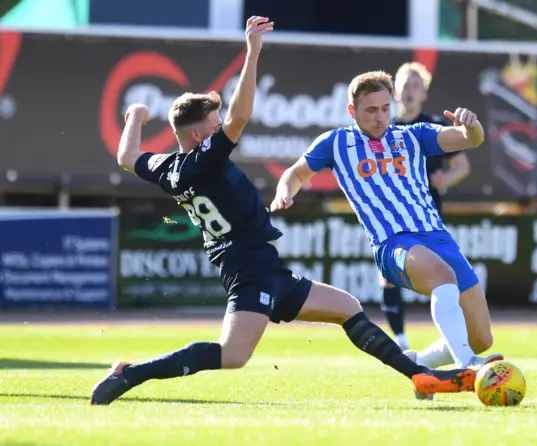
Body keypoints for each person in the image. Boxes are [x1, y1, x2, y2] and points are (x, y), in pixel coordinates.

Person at [90, 17, 477, 406]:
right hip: (250, 271)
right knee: (232, 355)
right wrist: (253, 51)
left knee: (347, 308)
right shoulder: (202, 160)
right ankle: (131, 373)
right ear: (199, 136)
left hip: (264, 267)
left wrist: (136, 116)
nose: (221, 126)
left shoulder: (167, 166)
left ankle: (422, 375)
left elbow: (128, 157)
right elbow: (240, 116)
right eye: (214, 124)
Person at [271, 70, 503, 382]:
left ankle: (418, 362)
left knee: (481, 337)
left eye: (384, 108)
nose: (380, 117)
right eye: (370, 110)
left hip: (438, 238)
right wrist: (284, 193)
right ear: (352, 111)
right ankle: (467, 363)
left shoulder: (412, 135)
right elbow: (295, 173)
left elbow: (468, 139)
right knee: (443, 277)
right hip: (393, 244)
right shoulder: (336, 142)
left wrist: (471, 127)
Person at [379, 62, 472, 351]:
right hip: (394, 217)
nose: (409, 91)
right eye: (405, 85)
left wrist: (446, 177)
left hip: (428, 217)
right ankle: (402, 341)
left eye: (415, 86)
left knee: (440, 279)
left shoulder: (433, 129)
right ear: (395, 91)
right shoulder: (384, 129)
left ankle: (450, 338)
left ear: (424, 93)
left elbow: (462, 166)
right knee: (389, 279)